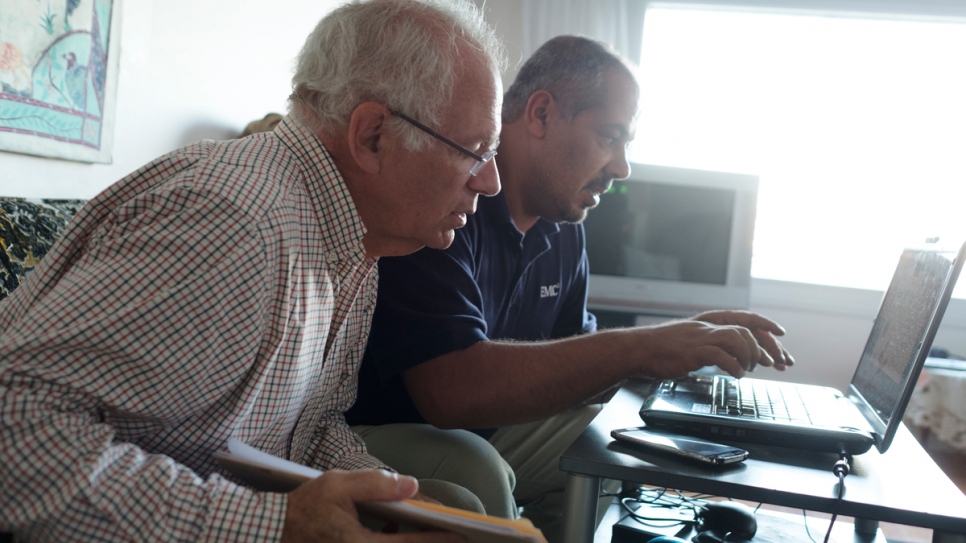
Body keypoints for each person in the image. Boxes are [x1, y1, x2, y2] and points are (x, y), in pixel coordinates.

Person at [0, 0, 505, 541]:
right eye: (474, 150)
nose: (491, 182)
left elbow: (302, 431)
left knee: (454, 507)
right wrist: (280, 524)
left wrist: (392, 497)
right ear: (373, 136)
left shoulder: (352, 235)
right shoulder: (235, 226)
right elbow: (14, 433)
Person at [345, 35, 794, 540]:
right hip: (380, 432)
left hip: (488, 430)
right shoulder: (449, 197)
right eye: (610, 136)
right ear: (539, 115)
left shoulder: (564, 229)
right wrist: (642, 346)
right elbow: (452, 393)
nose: (622, 167)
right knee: (475, 466)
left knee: (616, 438)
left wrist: (682, 353)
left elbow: (577, 369)